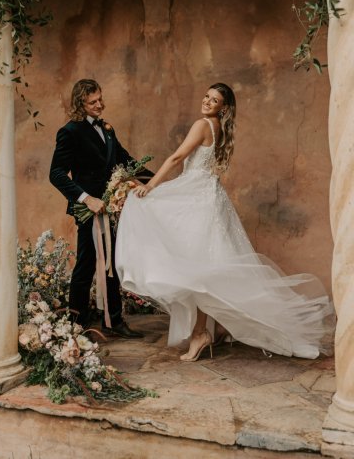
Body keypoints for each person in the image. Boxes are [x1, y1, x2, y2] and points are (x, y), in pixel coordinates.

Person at [116, 83, 334, 360]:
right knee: (209, 267)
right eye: (206, 96)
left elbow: (178, 156)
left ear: (224, 107)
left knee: (200, 268)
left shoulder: (203, 124)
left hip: (199, 198)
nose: (207, 102)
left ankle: (200, 333)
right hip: (209, 197)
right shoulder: (219, 126)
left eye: (214, 100)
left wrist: (152, 186)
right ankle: (214, 329)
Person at [49, 79, 152, 338]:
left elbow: (126, 161)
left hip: (110, 207)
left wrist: (156, 180)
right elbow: (56, 174)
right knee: (86, 264)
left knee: (111, 263)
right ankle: (77, 324)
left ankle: (114, 321)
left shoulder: (107, 129)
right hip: (89, 210)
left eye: (100, 99)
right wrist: (86, 199)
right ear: (80, 103)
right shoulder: (69, 132)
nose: (99, 104)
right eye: (92, 101)